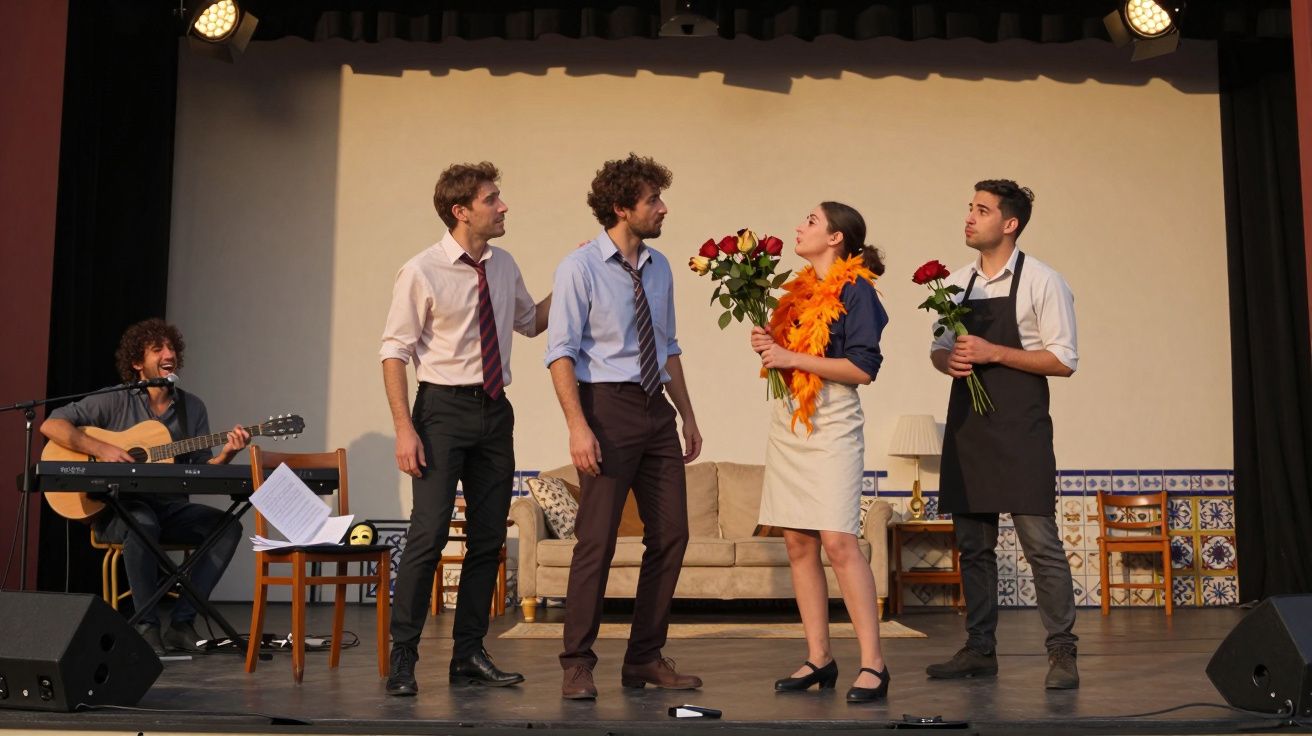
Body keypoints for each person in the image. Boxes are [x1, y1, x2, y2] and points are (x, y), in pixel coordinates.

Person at [380, 162, 550, 696]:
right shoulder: (422, 270)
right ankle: (402, 658)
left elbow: (529, 322)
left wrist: (575, 281)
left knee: (485, 540)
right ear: (461, 211)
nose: (503, 207)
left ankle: (468, 653)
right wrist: (404, 429)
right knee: (428, 534)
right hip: (440, 413)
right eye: (492, 199)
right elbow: (394, 353)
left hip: (495, 410)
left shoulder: (503, 265)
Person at [545, 154, 703, 700]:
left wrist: (686, 414)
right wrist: (577, 427)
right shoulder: (579, 267)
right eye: (652, 200)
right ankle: (576, 662)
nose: (662, 208)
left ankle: (643, 659)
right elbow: (560, 354)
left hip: (655, 407)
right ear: (621, 208)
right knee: (597, 541)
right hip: (604, 408)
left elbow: (669, 346)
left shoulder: (659, 267)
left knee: (673, 534)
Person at [925, 180, 1080, 689]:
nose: (969, 217)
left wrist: (995, 353)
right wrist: (950, 361)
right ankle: (980, 649)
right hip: (970, 427)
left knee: (1040, 543)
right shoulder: (957, 283)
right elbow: (939, 350)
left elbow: (1062, 360)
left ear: (1009, 224)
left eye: (982, 210)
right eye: (969, 207)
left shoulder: (1043, 280)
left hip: (1021, 429)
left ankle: (1062, 653)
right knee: (973, 545)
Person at [749, 202, 891, 702]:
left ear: (836, 239)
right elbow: (794, 362)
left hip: (831, 421)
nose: (798, 226)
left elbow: (862, 369)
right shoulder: (800, 292)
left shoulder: (858, 290)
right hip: (790, 419)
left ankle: (874, 663)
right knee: (797, 542)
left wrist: (790, 356)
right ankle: (819, 658)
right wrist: (771, 348)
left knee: (838, 542)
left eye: (810, 221)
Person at [40, 318, 250, 656]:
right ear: (138, 363)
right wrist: (101, 449)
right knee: (143, 522)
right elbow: (52, 424)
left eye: (172, 349)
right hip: (117, 510)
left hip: (169, 507)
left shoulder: (191, 408)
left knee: (228, 527)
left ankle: (182, 624)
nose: (169, 355)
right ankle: (146, 625)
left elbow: (201, 470)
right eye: (158, 349)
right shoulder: (113, 401)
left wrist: (227, 453)